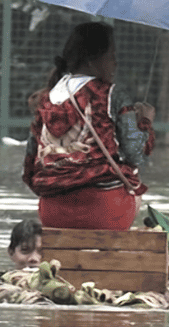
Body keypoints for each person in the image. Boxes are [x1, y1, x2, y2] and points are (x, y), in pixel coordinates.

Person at [23, 22, 155, 230]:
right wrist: (145, 122)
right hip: (104, 212)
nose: (116, 63)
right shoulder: (112, 95)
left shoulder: (47, 98)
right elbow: (135, 155)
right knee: (134, 184)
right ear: (93, 61)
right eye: (112, 55)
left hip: (52, 214)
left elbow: (31, 164)